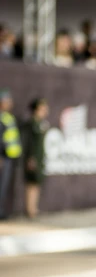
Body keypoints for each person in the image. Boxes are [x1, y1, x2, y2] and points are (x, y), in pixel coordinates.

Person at [22, 98, 49, 219]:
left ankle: (33, 208)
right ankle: (30, 209)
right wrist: (31, 158)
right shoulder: (31, 124)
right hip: (33, 158)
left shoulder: (41, 123)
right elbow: (29, 142)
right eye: (42, 108)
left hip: (39, 158)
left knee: (37, 183)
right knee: (31, 183)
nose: (45, 110)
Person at [0, 89, 22, 220]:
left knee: (4, 186)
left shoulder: (8, 117)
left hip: (10, 157)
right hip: (3, 157)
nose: (10, 103)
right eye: (7, 101)